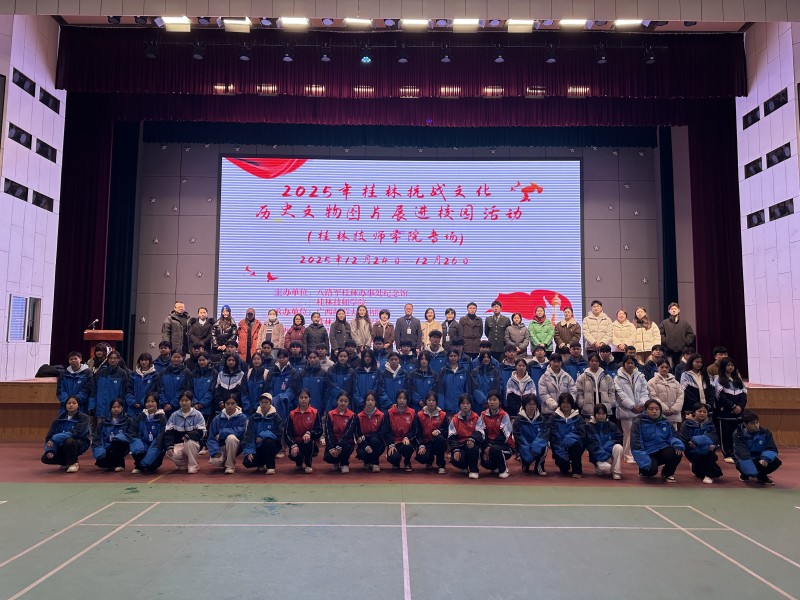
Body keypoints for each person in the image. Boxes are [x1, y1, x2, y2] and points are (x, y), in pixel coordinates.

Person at [630, 399, 684, 482]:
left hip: (662, 449)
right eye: (651, 409)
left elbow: (672, 436)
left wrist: (678, 444)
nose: (654, 411)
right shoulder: (638, 423)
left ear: (660, 410)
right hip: (647, 453)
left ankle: (667, 473)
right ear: (645, 410)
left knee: (676, 452)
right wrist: (644, 460)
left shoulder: (666, 422)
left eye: (657, 409)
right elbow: (636, 445)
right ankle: (643, 470)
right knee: (651, 471)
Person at [615, 355, 650, 463]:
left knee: (639, 433)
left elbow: (645, 391)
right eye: (628, 363)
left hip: (640, 409)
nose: (630, 365)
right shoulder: (617, 378)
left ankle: (638, 453)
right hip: (626, 410)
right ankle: (627, 455)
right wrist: (631, 406)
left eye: (632, 363)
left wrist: (642, 404)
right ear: (623, 364)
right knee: (628, 433)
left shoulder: (641, 376)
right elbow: (619, 394)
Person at [41, 396, 90, 472]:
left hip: (79, 442)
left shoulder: (84, 418)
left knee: (69, 441)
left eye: (74, 403)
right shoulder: (59, 419)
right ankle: (66, 462)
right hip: (61, 444)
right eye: (69, 403)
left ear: (78, 405)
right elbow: (49, 438)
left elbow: (76, 433)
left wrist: (55, 438)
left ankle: (73, 463)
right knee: (45, 458)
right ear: (65, 405)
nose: (71, 405)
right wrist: (50, 450)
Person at [734, 411, 781, 485]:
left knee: (776, 462)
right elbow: (742, 453)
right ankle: (744, 474)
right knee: (740, 463)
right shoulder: (738, 435)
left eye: (757, 422)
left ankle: (762, 476)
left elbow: (771, 448)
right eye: (752, 423)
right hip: (747, 458)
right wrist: (751, 472)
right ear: (745, 424)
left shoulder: (765, 432)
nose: (756, 425)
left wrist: (765, 458)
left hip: (760, 458)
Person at [164, 391, 206, 474]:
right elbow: (169, 432)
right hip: (179, 444)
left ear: (191, 401)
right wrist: (169, 446)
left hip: (194, 443)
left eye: (186, 400)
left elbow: (202, 432)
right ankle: (183, 464)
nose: (184, 403)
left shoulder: (198, 415)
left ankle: (193, 465)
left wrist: (189, 436)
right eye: (182, 400)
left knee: (189, 442)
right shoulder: (174, 415)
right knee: (170, 452)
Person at [714, 357, 747, 463]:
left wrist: (740, 407)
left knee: (738, 434)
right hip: (725, 412)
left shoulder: (738, 379)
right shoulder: (718, 379)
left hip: (738, 412)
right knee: (726, 435)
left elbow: (744, 395)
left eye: (732, 365)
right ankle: (727, 454)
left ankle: (737, 453)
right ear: (723, 367)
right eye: (728, 365)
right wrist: (733, 406)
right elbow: (721, 397)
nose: (730, 367)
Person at [679, 404, 722, 484]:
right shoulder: (686, 424)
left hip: (708, 452)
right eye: (699, 411)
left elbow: (714, 438)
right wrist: (706, 445)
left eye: (704, 412)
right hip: (692, 452)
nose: (702, 413)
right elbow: (685, 442)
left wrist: (695, 440)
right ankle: (705, 473)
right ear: (694, 412)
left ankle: (700, 470)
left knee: (717, 472)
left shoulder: (710, 424)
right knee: (711, 467)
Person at [242, 392, 283, 474]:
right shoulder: (253, 417)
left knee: (268, 442)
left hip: (272, 445)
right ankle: (262, 463)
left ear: (270, 403)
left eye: (266, 402)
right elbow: (249, 436)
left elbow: (279, 433)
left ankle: (270, 466)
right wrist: (250, 452)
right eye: (262, 402)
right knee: (247, 462)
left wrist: (263, 436)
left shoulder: (276, 417)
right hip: (257, 447)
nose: (264, 405)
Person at [206, 392, 247, 474]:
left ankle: (230, 466)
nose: (230, 406)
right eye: (227, 403)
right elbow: (211, 438)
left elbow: (241, 431)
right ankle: (224, 460)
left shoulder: (242, 417)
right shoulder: (217, 419)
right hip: (221, 446)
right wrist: (215, 451)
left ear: (237, 404)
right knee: (215, 461)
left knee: (231, 438)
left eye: (232, 403)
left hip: (236, 445)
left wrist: (222, 432)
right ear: (224, 404)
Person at [284, 388, 322, 473]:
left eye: (306, 397)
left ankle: (308, 464)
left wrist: (309, 433)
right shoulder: (292, 414)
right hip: (296, 442)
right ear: (298, 399)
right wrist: (293, 445)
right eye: (301, 397)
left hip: (309, 442)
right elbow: (287, 433)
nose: (303, 399)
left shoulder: (315, 412)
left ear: (309, 398)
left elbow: (319, 430)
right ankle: (299, 462)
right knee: (294, 454)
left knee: (308, 441)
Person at [549, 393, 586, 478]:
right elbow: (553, 436)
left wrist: (568, 439)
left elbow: (581, 434)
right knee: (564, 467)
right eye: (563, 402)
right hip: (559, 447)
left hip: (574, 446)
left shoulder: (579, 418)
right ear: (560, 404)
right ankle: (564, 463)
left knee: (576, 445)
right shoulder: (554, 417)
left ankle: (577, 471)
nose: (566, 405)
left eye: (568, 402)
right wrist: (562, 446)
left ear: (571, 404)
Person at [478, 391, 514, 478]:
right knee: (484, 462)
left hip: (505, 446)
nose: (492, 402)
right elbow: (480, 432)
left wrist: (490, 446)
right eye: (490, 400)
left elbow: (505, 436)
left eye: (494, 400)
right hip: (489, 446)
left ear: (499, 402)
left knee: (495, 450)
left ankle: (504, 469)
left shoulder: (504, 415)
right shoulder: (483, 415)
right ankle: (496, 466)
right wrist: (486, 446)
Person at [92, 398, 134, 471]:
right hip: (107, 446)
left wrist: (119, 437)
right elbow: (97, 437)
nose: (116, 409)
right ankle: (110, 462)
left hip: (122, 445)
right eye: (114, 407)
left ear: (122, 408)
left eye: (118, 407)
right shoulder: (103, 422)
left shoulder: (128, 420)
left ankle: (120, 464)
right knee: (102, 463)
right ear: (110, 408)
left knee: (117, 442)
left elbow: (131, 434)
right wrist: (100, 448)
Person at [448, 394, 483, 479]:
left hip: (473, 444)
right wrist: (456, 449)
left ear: (471, 405)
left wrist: (472, 438)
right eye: (463, 403)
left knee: (472, 446)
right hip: (460, 445)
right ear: (459, 405)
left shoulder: (476, 417)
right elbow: (452, 436)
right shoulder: (455, 419)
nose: (465, 405)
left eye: (468, 403)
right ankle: (464, 466)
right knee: (454, 460)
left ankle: (473, 470)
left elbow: (480, 432)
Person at [129, 392, 166, 474]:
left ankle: (146, 464)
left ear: (157, 403)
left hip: (156, 447)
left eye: (153, 401)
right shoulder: (139, 417)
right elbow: (133, 433)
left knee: (151, 467)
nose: (150, 404)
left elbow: (161, 437)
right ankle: (138, 465)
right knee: (136, 446)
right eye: (148, 401)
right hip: (143, 446)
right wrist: (140, 444)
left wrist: (153, 449)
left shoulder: (162, 418)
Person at [90, 351, 131, 422]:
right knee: (100, 428)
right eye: (111, 358)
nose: (112, 360)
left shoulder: (123, 373)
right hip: (100, 410)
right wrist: (92, 405)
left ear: (118, 359)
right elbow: (94, 390)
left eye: (115, 358)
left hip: (115, 410)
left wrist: (122, 408)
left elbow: (124, 393)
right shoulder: (101, 372)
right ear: (108, 359)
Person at [513, 394, 548, 475]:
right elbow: (518, 436)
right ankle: (525, 463)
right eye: (529, 404)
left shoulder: (542, 419)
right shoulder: (518, 420)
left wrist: (535, 445)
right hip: (524, 445)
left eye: (533, 404)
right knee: (525, 455)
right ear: (524, 406)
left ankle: (539, 466)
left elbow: (544, 434)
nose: (531, 407)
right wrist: (526, 447)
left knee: (544, 447)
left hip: (537, 445)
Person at [586, 403, 623, 480]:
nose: (601, 416)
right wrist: (605, 457)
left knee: (618, 447)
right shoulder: (589, 427)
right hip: (598, 457)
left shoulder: (612, 425)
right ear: (594, 414)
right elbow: (592, 446)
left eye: (603, 414)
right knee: (604, 470)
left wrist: (607, 446)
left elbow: (619, 438)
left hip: (609, 454)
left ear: (606, 414)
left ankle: (616, 471)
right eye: (599, 414)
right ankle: (600, 467)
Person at [415, 391, 449, 473]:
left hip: (438, 443)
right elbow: (418, 432)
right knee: (421, 457)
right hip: (425, 443)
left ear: (436, 402)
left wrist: (439, 431)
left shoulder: (443, 415)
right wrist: (421, 445)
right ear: (426, 401)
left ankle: (441, 465)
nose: (431, 402)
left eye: (433, 400)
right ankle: (429, 460)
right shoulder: (419, 415)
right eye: (429, 400)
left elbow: (446, 431)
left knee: (440, 439)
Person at [323, 391, 357, 473]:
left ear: (348, 402)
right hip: (334, 442)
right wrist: (331, 447)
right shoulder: (330, 414)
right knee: (328, 457)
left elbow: (348, 433)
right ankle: (335, 462)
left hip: (346, 443)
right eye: (341, 401)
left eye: (345, 401)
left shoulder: (352, 415)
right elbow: (328, 432)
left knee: (346, 447)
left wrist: (339, 446)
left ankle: (344, 463)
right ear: (337, 401)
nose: (343, 403)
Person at [386, 389, 419, 472]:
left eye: (404, 398)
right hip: (394, 441)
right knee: (393, 457)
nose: (402, 400)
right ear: (396, 399)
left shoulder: (412, 412)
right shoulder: (389, 412)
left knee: (407, 448)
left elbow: (414, 429)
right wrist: (391, 444)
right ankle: (396, 462)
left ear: (407, 400)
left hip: (406, 441)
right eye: (400, 398)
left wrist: (408, 437)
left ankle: (407, 461)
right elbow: (386, 431)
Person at [576, 353, 616, 420]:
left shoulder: (606, 376)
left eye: (596, 361)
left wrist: (610, 404)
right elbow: (579, 392)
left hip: (604, 411)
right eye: (592, 361)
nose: (594, 363)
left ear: (599, 362)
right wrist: (582, 404)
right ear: (588, 362)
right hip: (588, 411)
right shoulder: (582, 377)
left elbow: (611, 391)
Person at [266, 349, 300, 424]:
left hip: (286, 403)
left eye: (284, 357)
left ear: (288, 358)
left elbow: (293, 388)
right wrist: (272, 398)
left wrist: (282, 398)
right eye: (280, 357)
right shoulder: (272, 371)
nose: (282, 359)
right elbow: (269, 386)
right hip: (273, 403)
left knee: (285, 424)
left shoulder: (293, 371)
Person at [648, 359, 684, 429]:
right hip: (660, 414)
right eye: (662, 367)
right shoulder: (651, 382)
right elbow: (653, 397)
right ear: (657, 367)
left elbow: (680, 395)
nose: (664, 369)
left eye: (666, 367)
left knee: (673, 434)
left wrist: (674, 409)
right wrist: (665, 409)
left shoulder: (675, 382)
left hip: (673, 415)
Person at [659, 302, 695, 368]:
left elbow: (690, 334)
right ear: (668, 311)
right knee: (669, 368)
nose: (673, 310)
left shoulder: (684, 323)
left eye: (675, 309)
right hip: (669, 351)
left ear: (679, 310)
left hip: (681, 351)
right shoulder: (664, 323)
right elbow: (660, 334)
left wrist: (686, 342)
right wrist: (665, 342)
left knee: (681, 368)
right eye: (672, 309)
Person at [438, 349, 472, 414]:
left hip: (462, 407)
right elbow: (441, 391)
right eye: (451, 356)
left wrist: (467, 405)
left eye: (455, 356)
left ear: (458, 357)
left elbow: (467, 389)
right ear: (448, 357)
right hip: (447, 407)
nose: (453, 358)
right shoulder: (443, 371)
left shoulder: (464, 371)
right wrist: (441, 407)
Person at [126, 352, 158, 417]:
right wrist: (133, 402)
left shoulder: (155, 375)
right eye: (142, 360)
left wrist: (142, 403)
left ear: (150, 361)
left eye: (146, 360)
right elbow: (128, 390)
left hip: (147, 408)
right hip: (132, 409)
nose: (143, 362)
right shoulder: (133, 375)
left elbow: (153, 391)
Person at [157, 350, 190, 415]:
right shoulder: (164, 371)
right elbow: (160, 389)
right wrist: (165, 403)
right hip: (164, 407)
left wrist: (173, 404)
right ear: (171, 357)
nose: (176, 359)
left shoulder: (186, 372)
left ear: (183, 358)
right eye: (174, 357)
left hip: (179, 407)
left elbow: (184, 390)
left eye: (179, 357)